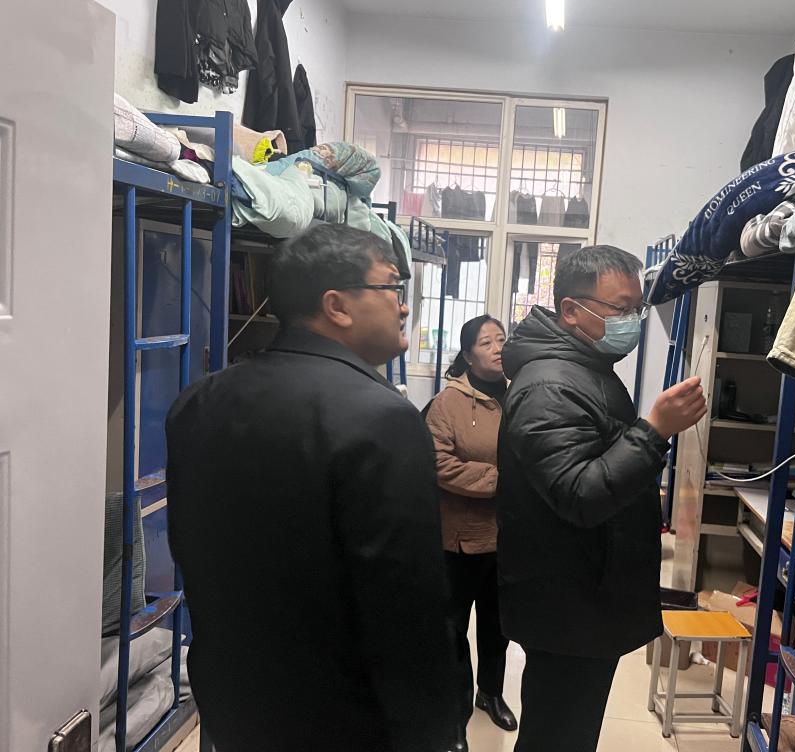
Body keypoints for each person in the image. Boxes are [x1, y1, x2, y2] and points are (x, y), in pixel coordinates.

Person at [165, 224, 457, 752]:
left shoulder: (200, 400)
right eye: (393, 287)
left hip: (234, 700)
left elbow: (193, 549)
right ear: (336, 305)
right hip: (345, 718)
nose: (404, 306)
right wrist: (438, 734)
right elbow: (406, 607)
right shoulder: (382, 418)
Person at [497, 245, 707, 752]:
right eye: (620, 308)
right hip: (568, 604)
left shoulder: (586, 369)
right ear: (571, 310)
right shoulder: (551, 386)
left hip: (584, 596)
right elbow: (580, 494)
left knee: (567, 733)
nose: (631, 321)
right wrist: (654, 431)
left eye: (636, 308)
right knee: (557, 737)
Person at [425, 315, 516, 751]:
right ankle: (455, 717)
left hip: (507, 537)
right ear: (467, 354)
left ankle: (491, 693)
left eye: (501, 339)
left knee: (498, 626)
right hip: (458, 539)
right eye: (486, 342)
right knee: (454, 632)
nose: (497, 348)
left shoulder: (521, 395)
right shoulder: (448, 403)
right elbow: (438, 463)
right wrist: (502, 480)